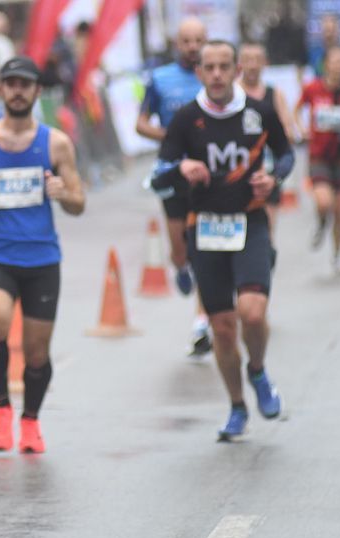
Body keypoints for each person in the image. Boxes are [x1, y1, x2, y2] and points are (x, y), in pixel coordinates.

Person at [150, 40, 294, 440]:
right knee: (224, 330)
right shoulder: (185, 119)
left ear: (236, 71)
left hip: (249, 223)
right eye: (208, 67)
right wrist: (183, 166)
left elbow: (285, 154)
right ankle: (236, 406)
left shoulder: (258, 112)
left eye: (223, 66)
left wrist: (275, 177)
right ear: (199, 73)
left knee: (252, 313)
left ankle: (259, 371)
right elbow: (159, 174)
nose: (215, 74)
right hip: (206, 229)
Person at [0, 55, 85, 453]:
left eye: (24, 84)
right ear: (1, 89)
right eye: (10, 83)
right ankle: (1, 410)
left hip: (43, 258)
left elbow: (79, 202)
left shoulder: (56, 142)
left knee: (36, 351)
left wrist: (64, 193)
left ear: (36, 91)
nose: (16, 90)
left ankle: (30, 420)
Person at [136, 17, 212, 356]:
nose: (193, 47)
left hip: (208, 175)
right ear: (176, 43)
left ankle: (201, 323)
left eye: (199, 40)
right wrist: (172, 136)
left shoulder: (214, 77)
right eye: (187, 41)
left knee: (206, 249)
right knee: (181, 249)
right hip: (171, 172)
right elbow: (140, 124)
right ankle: (180, 266)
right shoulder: (159, 78)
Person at [295, 46, 340, 275]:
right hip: (319, 154)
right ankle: (321, 221)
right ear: (325, 64)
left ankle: (337, 254)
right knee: (324, 202)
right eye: (333, 61)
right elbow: (297, 110)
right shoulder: (313, 88)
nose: (337, 65)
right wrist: (301, 129)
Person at [239, 42, 297, 233]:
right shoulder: (232, 94)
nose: (253, 65)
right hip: (237, 174)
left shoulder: (274, 94)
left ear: (265, 63)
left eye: (257, 60)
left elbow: (287, 130)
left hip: (267, 171)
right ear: (239, 64)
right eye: (248, 60)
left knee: (267, 231)